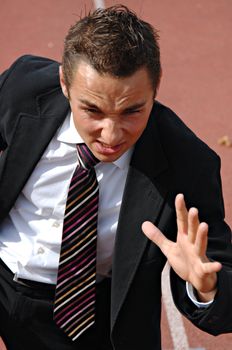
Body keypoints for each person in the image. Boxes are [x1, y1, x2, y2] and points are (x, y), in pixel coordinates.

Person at [0, 4, 232, 350]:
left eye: (131, 111)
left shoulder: (186, 161)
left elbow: (217, 273)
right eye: (92, 110)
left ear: (156, 87)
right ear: (64, 83)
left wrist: (206, 287)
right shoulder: (22, 89)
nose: (110, 135)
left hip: (94, 317)